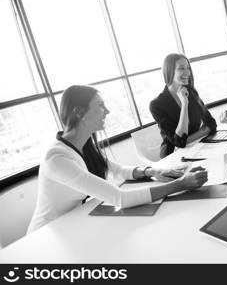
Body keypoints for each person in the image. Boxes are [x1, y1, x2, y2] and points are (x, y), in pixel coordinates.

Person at [27, 85, 208, 233]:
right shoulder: (57, 158)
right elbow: (120, 198)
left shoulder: (84, 144)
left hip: (74, 223)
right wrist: (182, 184)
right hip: (47, 235)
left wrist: (153, 171)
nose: (107, 111)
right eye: (100, 105)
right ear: (79, 112)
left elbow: (118, 170)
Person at [150, 54, 217, 158]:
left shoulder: (192, 93)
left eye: (188, 68)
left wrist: (187, 140)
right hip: (173, 155)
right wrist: (184, 104)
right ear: (169, 71)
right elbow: (179, 141)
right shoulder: (157, 105)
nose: (187, 72)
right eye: (181, 68)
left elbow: (212, 124)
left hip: (196, 147)